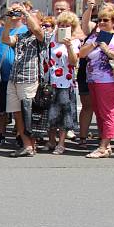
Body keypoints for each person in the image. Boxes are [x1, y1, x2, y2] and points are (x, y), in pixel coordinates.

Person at [78, 4, 114, 158]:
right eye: (99, 20)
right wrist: (94, 43)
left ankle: (104, 146)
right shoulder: (95, 36)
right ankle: (104, 144)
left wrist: (108, 51)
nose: (101, 23)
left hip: (108, 81)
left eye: (105, 20)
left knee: (107, 113)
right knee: (99, 113)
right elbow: (81, 54)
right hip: (93, 80)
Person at [2, 2, 45, 157]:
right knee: (17, 113)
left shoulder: (41, 35)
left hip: (29, 78)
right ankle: (27, 145)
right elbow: (6, 39)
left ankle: (32, 145)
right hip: (14, 78)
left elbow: (38, 31)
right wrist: (8, 19)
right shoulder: (20, 36)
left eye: (32, 18)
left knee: (29, 113)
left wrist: (26, 13)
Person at [46, 11, 82, 155]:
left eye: (67, 26)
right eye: (61, 25)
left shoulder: (75, 41)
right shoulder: (50, 38)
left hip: (65, 82)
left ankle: (61, 143)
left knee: (63, 113)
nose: (64, 27)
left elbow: (74, 62)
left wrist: (69, 47)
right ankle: (51, 140)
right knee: (50, 112)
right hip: (49, 80)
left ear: (72, 28)